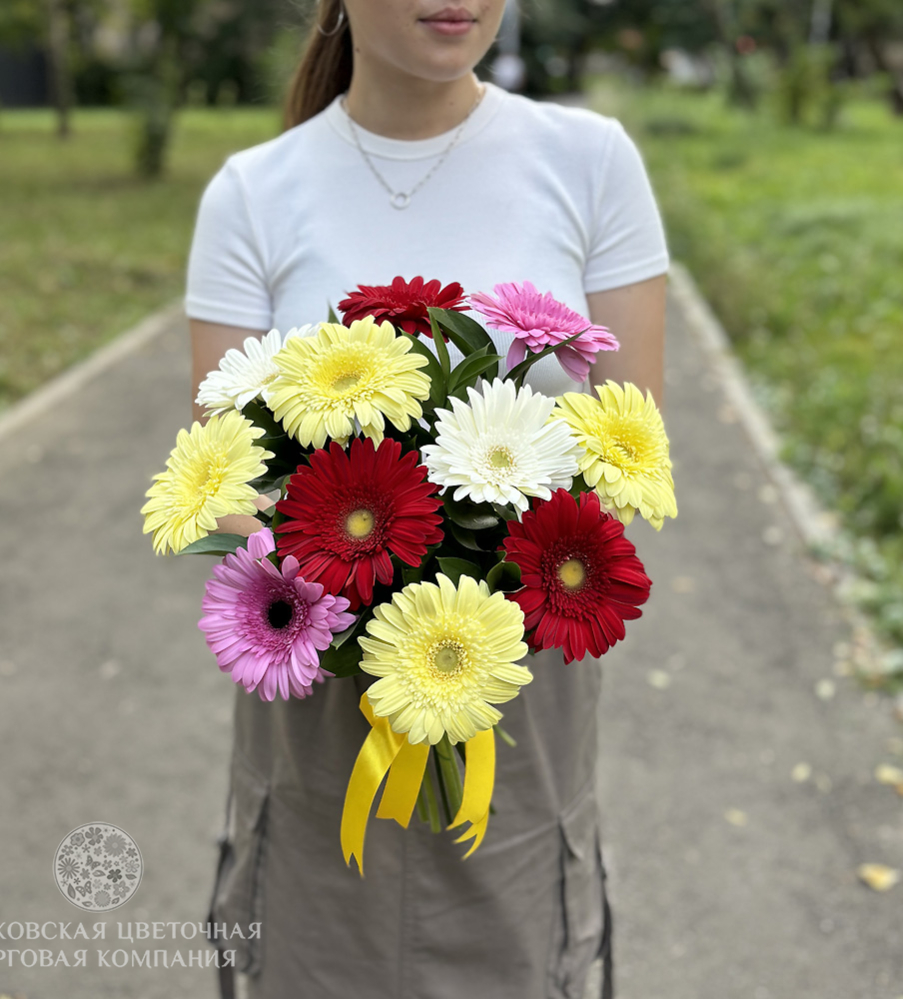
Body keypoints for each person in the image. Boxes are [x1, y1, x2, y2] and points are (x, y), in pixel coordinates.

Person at [185, 2, 669, 997]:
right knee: (313, 953)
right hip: (322, 680)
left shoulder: (591, 159)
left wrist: (476, 581)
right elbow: (219, 476)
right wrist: (360, 584)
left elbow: (633, 450)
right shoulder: (253, 193)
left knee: (521, 946)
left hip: (518, 676)